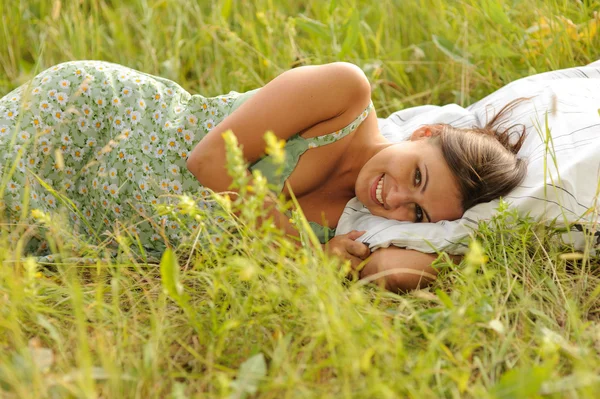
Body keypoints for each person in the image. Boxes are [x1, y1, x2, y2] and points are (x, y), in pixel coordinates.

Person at [0, 61, 525, 291]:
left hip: (90, 219)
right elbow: (208, 162)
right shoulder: (345, 95)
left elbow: (397, 272)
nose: (395, 199)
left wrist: (461, 244)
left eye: (418, 211)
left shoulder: (354, 226)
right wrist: (306, 252)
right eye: (416, 176)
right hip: (96, 126)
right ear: (427, 133)